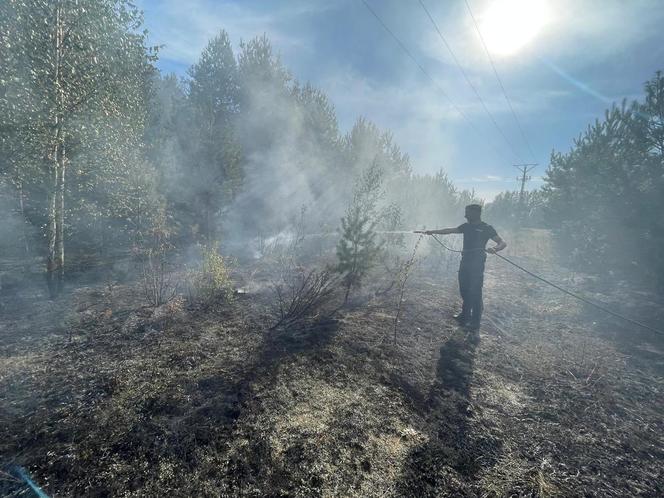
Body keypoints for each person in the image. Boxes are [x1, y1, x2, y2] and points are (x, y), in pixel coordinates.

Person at [415, 204, 506, 330]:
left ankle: (475, 321)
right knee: (464, 288)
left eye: (467, 213)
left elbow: (502, 243)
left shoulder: (487, 228)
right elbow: (449, 230)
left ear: (476, 213)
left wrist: (495, 248)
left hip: (478, 263)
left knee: (475, 290)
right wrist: (431, 232)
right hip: (465, 261)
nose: (465, 215)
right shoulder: (466, 226)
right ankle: (465, 315)